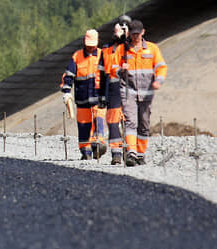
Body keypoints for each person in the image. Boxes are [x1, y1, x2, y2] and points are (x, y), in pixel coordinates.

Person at [113, 19, 167, 167]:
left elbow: (161, 67)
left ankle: (140, 153)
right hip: (128, 92)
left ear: (143, 32)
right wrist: (121, 70)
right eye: (133, 34)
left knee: (144, 125)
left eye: (138, 34)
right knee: (131, 122)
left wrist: (158, 81)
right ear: (129, 34)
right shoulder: (122, 50)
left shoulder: (152, 49)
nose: (135, 37)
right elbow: (113, 68)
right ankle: (131, 152)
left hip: (147, 93)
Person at [61, 29, 106, 160]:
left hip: (98, 99)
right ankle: (85, 152)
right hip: (82, 99)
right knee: (83, 126)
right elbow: (69, 75)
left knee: (98, 122)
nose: (90, 47)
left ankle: (98, 146)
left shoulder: (102, 55)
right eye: (88, 45)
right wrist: (66, 91)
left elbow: (108, 75)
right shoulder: (77, 56)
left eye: (93, 45)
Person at [99, 17, 131, 165]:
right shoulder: (106, 49)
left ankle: (131, 151)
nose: (117, 32)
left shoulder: (130, 47)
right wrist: (100, 94)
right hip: (112, 90)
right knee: (112, 121)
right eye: (116, 29)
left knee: (129, 121)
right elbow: (100, 73)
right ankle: (116, 153)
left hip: (128, 88)